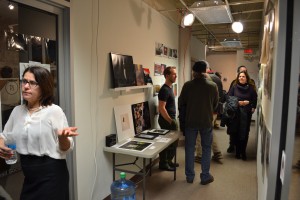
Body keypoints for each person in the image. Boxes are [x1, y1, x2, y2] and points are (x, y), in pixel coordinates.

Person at [0, 66, 78, 200]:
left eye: (32, 83)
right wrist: (1, 145)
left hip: (51, 174)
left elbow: (66, 148)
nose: (26, 86)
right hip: (29, 174)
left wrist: (62, 138)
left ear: (43, 87)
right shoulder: (17, 111)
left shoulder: (54, 111)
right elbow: (4, 136)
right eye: (24, 81)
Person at [178, 61, 218, 185]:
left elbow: (181, 103)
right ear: (205, 71)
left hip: (190, 122)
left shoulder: (187, 86)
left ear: (194, 72)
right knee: (206, 148)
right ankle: (205, 176)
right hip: (206, 121)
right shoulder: (212, 86)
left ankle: (190, 176)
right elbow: (215, 105)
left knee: (190, 148)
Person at [194, 66, 223, 164]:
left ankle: (199, 155)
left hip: (205, 112)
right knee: (209, 131)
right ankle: (217, 152)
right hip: (213, 111)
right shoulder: (216, 79)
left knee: (199, 133)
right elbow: (218, 97)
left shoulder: (204, 80)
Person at [227, 71, 257, 160]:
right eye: (240, 76)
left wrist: (252, 105)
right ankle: (237, 152)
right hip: (236, 113)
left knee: (245, 132)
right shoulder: (234, 87)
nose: (241, 78)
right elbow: (228, 98)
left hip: (246, 113)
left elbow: (255, 98)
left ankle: (243, 152)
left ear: (246, 78)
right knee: (236, 132)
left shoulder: (251, 88)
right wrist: (238, 102)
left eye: (243, 76)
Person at [158, 66, 178, 171]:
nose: (176, 76)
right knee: (166, 142)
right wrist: (170, 121)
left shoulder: (170, 88)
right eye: (174, 74)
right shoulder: (164, 90)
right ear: (167, 75)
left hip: (170, 119)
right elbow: (161, 108)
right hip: (166, 120)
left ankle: (169, 161)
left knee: (172, 142)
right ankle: (164, 163)